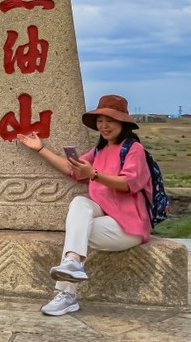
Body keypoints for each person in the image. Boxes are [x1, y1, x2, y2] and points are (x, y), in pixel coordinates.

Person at [17, 94, 152, 316]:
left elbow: (129, 183)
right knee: (80, 202)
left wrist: (95, 175)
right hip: (105, 217)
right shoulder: (99, 150)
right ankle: (72, 264)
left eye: (110, 120)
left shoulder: (133, 149)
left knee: (77, 232)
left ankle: (67, 294)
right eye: (100, 121)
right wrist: (40, 149)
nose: (104, 126)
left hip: (128, 227)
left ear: (123, 123)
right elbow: (72, 169)